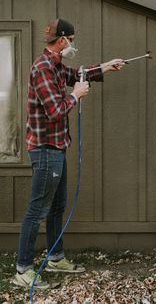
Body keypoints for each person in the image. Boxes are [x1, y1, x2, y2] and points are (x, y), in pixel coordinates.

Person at [13, 18, 124, 289]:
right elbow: (55, 111)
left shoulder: (56, 65)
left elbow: (77, 74)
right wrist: (75, 96)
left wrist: (105, 67)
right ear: (62, 40)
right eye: (71, 40)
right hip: (45, 149)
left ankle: (55, 257)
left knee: (56, 207)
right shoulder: (42, 69)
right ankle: (22, 270)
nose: (73, 45)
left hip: (57, 147)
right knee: (37, 210)